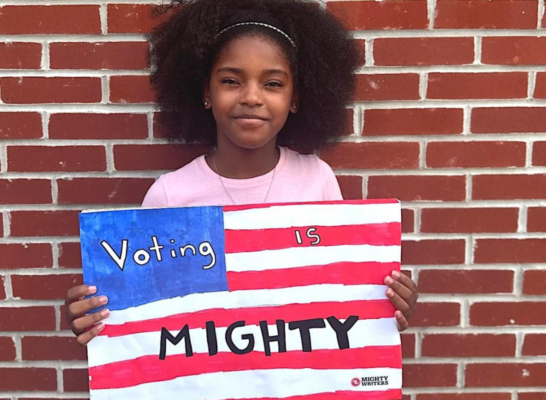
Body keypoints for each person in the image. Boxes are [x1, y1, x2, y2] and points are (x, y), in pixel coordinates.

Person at [65, 0, 418, 346]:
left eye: (273, 84)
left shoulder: (318, 180)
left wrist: (384, 305)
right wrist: (99, 316)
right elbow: (148, 314)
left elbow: (341, 293)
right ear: (206, 92)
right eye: (232, 81)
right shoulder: (171, 196)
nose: (252, 97)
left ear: (296, 98)